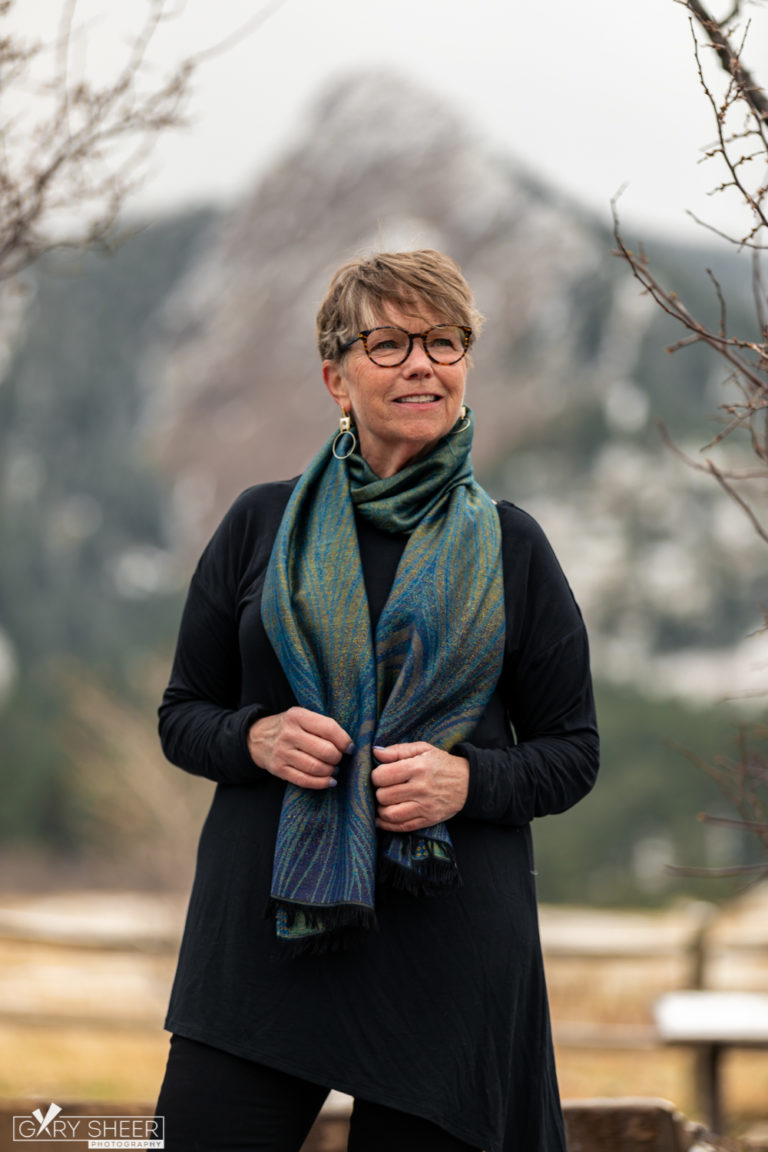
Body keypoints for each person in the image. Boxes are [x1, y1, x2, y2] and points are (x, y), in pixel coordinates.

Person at [155, 249, 599, 1152]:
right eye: (390, 343)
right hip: (262, 939)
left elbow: (572, 750)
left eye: (444, 340)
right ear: (336, 377)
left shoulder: (513, 547)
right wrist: (256, 738)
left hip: (447, 954)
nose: (423, 364)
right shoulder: (259, 526)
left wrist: (466, 782)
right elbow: (182, 713)